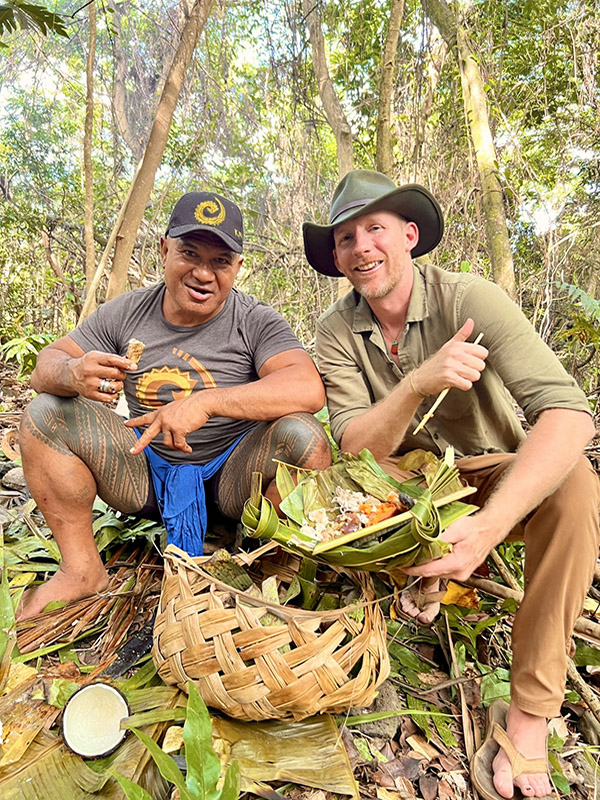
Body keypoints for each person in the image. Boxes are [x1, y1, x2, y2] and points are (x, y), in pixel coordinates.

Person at [303, 169, 599, 800]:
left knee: (576, 485)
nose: (362, 248)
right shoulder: (335, 331)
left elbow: (569, 414)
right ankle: (422, 576)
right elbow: (354, 446)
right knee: (323, 475)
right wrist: (417, 383)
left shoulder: (471, 299)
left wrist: (487, 530)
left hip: (491, 475)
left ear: (409, 235)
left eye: (375, 229)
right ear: (335, 256)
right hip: (407, 493)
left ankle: (528, 718)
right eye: (347, 237)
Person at [19, 190, 331, 620]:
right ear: (163, 250)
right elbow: (44, 365)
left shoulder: (256, 320)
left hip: (233, 480)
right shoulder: (126, 312)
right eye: (189, 253)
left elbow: (308, 388)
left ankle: (272, 568)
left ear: (238, 268)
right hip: (147, 475)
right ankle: (81, 569)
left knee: (304, 436)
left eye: (220, 261)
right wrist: (72, 372)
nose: (203, 273)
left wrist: (207, 402)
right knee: (44, 413)